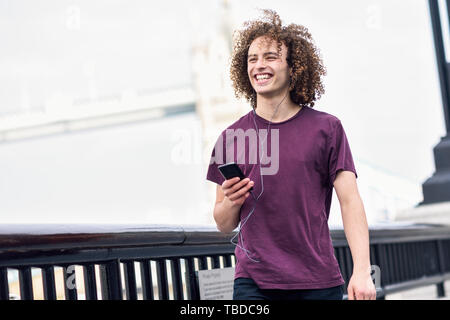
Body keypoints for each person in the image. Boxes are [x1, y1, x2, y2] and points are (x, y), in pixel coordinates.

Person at [206, 9, 376, 300]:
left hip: (318, 281)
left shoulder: (328, 128)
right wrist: (232, 200)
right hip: (254, 285)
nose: (260, 65)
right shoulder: (230, 138)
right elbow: (223, 223)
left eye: (270, 57)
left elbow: (350, 201)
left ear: (293, 66)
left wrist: (361, 271)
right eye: (252, 59)